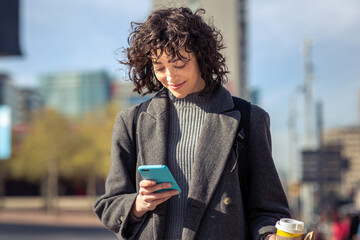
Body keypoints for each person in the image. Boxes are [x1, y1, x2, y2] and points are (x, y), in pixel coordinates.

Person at [94, 7, 291, 240]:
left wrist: (270, 235)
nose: (170, 77)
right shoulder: (131, 121)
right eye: (159, 67)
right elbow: (109, 205)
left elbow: (268, 210)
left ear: (200, 56)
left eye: (179, 64)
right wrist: (139, 203)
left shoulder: (249, 119)